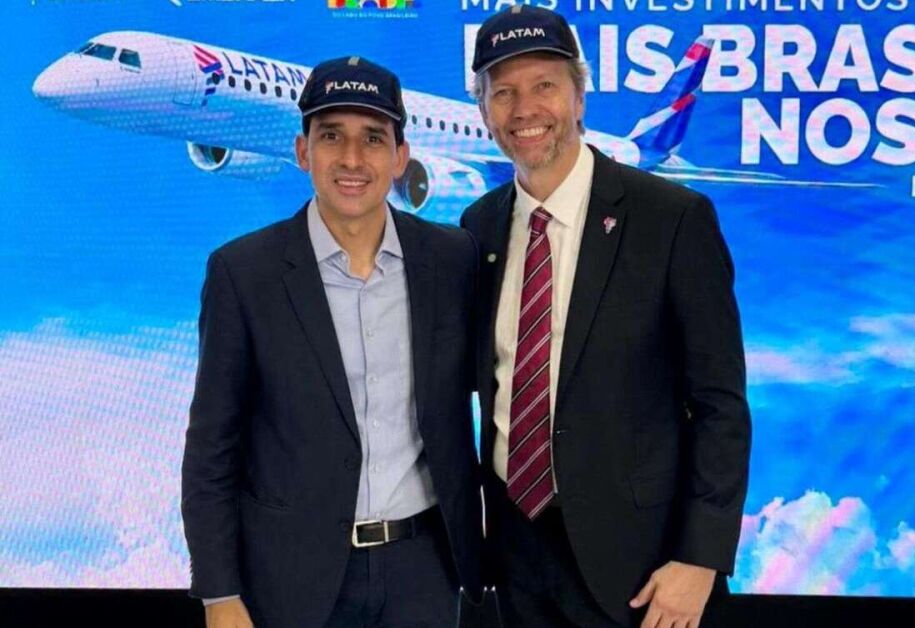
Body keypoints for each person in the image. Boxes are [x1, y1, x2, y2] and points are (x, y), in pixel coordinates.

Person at [460, 7, 751, 627]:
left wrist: (699, 559)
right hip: (516, 557)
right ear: (483, 110)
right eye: (502, 93)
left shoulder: (672, 219)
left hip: (642, 569)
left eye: (544, 86)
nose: (524, 109)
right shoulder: (478, 227)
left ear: (579, 97)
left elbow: (720, 404)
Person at [182, 56, 482, 628]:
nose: (351, 158)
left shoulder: (451, 259)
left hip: (423, 571)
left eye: (373, 138)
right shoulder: (243, 273)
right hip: (290, 576)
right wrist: (219, 593)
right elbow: (211, 449)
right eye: (331, 136)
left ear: (400, 157)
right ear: (303, 152)